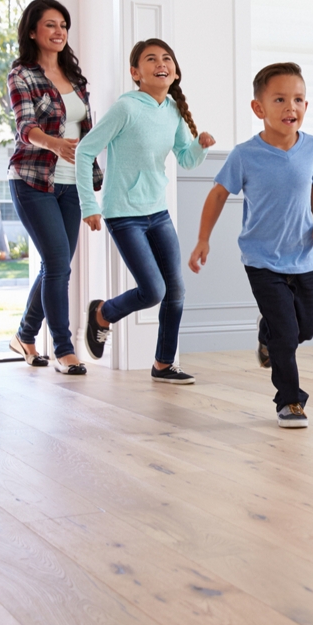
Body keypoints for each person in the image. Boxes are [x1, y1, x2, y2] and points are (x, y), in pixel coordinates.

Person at [188, 62, 313, 428]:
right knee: (287, 334)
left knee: (308, 325)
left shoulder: (312, 147)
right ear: (259, 108)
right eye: (280, 99)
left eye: (298, 99)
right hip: (262, 260)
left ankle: (266, 334)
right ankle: (290, 401)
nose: (291, 107)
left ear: (306, 106)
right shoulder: (244, 155)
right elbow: (218, 195)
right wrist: (203, 239)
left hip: (303, 256)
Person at [77, 39, 215, 382]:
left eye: (167, 57)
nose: (161, 63)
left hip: (158, 210)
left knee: (176, 291)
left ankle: (163, 364)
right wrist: (88, 205)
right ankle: (102, 313)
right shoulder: (125, 108)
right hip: (123, 213)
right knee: (153, 290)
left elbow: (185, 158)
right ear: (135, 73)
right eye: (151, 59)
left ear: (175, 71)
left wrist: (200, 146)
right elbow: (84, 151)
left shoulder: (172, 110)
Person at [5, 0, 102, 375]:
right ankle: (64, 349)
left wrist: (91, 183)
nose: (59, 31)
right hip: (33, 180)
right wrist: (55, 143)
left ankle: (24, 336)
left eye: (63, 24)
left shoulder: (76, 79)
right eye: (50, 25)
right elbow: (25, 127)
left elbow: (88, 133)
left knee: (55, 266)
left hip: (72, 185)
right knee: (59, 265)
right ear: (33, 31)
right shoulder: (22, 75)